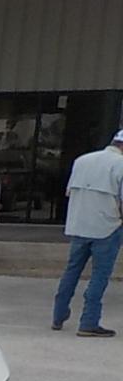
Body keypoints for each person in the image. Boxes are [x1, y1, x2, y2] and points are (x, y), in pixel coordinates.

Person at [51, 129, 123, 338]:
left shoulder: (82, 161)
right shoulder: (120, 165)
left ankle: (58, 316)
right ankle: (89, 322)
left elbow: (69, 192)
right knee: (99, 276)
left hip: (79, 225)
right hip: (107, 228)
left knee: (71, 271)